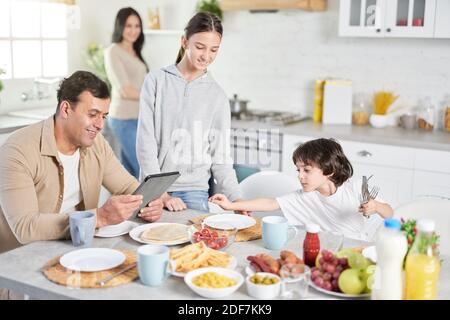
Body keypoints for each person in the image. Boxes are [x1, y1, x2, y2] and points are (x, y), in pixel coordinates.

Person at [0, 71, 163, 256]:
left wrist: (148, 203)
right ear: (66, 109)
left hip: (74, 249)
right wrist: (99, 217)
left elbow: (126, 186)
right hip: (21, 261)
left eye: (104, 116)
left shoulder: (96, 144)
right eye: (93, 114)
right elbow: (25, 228)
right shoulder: (18, 150)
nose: (100, 125)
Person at [137, 12, 242, 213]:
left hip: (195, 191)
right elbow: (145, 143)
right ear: (185, 42)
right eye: (200, 47)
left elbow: (221, 158)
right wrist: (161, 194)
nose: (206, 56)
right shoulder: (156, 81)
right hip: (154, 188)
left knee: (195, 243)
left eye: (214, 50)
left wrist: (237, 199)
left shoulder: (217, 96)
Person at [210, 138, 394, 241]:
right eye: (298, 170)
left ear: (329, 170)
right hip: (324, 249)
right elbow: (271, 202)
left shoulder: (355, 189)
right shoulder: (305, 196)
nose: (300, 176)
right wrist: (229, 205)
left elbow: (389, 213)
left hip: (356, 246)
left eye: (307, 170)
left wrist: (375, 206)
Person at [104, 7, 148, 179]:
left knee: (130, 174)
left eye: (137, 26)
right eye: (129, 26)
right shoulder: (113, 51)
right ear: (120, 26)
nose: (133, 30)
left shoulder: (136, 52)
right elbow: (125, 91)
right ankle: (150, 205)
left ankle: (135, 206)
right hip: (123, 119)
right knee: (143, 169)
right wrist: (155, 97)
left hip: (138, 118)